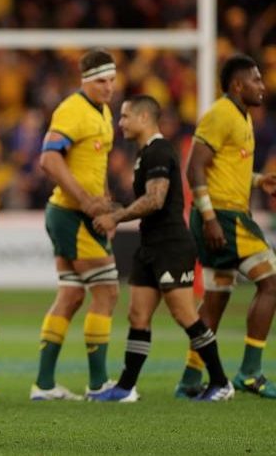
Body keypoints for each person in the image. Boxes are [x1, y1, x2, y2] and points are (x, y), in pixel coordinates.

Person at [90, 95, 233, 401]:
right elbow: (149, 201)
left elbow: (155, 200)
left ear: (144, 118)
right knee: (138, 315)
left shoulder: (159, 150)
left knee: (184, 314)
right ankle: (126, 388)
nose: (120, 122)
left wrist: (116, 216)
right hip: (150, 245)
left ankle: (221, 382)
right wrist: (110, 207)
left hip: (171, 245)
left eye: (125, 116)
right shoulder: (144, 154)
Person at [175, 54, 276, 399]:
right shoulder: (221, 113)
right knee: (271, 283)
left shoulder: (240, 116)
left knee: (216, 299)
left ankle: (191, 377)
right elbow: (195, 168)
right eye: (256, 79)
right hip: (224, 218)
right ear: (237, 84)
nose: (262, 86)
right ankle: (250, 372)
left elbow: (224, 169)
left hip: (222, 215)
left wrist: (259, 180)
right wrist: (209, 219)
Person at [28, 49, 119, 401]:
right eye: (101, 81)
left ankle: (44, 384)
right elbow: (49, 159)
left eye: (112, 80)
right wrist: (85, 201)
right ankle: (99, 385)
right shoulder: (72, 109)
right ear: (86, 80)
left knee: (71, 294)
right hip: (71, 214)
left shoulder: (104, 112)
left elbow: (96, 166)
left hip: (79, 214)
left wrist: (106, 206)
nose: (108, 87)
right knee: (107, 291)